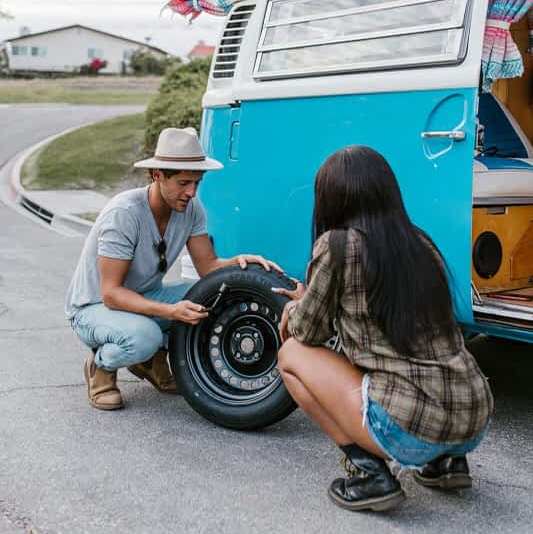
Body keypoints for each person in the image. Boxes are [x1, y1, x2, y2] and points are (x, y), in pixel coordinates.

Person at [275, 145, 493, 513]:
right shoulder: (420, 242)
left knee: (290, 356)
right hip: (474, 418)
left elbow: (307, 332)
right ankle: (445, 464)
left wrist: (295, 306)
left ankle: (369, 474)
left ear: (332, 198)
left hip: (412, 429)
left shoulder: (338, 245)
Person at [65, 127, 279, 411]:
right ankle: (101, 366)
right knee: (145, 336)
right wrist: (171, 312)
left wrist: (243, 262)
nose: (191, 192)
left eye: (197, 183)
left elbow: (209, 269)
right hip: (93, 308)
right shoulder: (124, 214)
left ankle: (150, 362)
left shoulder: (191, 208)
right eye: (183, 183)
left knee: (212, 295)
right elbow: (112, 295)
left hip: (143, 295)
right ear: (157, 176)